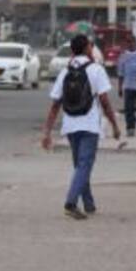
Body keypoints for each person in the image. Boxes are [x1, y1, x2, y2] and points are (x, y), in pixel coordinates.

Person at [42, 34, 121, 220]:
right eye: (90, 46)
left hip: (70, 126)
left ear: (71, 51)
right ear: (87, 48)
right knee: (84, 165)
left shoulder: (64, 72)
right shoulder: (96, 70)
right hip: (89, 126)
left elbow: (55, 105)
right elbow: (105, 102)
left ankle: (89, 204)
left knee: (80, 165)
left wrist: (47, 132)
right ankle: (70, 203)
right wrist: (115, 125)